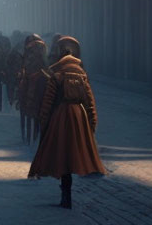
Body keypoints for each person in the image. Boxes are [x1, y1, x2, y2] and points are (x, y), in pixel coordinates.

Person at [28, 36, 105, 209]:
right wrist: (91, 125)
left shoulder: (57, 76)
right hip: (79, 117)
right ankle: (67, 194)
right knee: (73, 155)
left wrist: (44, 123)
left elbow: (48, 103)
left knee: (63, 156)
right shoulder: (82, 76)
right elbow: (89, 102)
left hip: (61, 117)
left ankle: (65, 195)